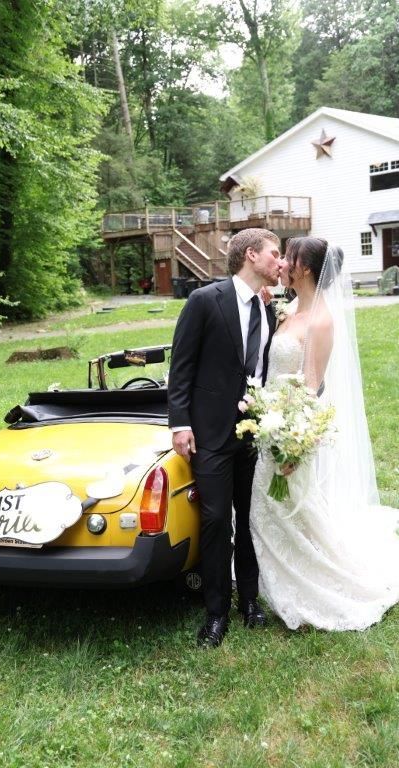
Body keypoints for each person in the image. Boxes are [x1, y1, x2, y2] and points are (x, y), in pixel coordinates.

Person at [250, 237, 399, 630]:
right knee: (267, 507)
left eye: (289, 257)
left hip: (289, 428)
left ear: (307, 268)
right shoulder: (289, 308)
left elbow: (313, 385)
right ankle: (270, 572)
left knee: (286, 505)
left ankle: (313, 575)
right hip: (269, 421)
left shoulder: (321, 319)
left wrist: (294, 440)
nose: (283, 262)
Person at [168, 228, 280, 647]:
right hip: (209, 433)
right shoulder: (204, 301)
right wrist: (180, 423)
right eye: (274, 254)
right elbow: (181, 367)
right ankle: (216, 612)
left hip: (252, 434)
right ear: (251, 255)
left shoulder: (268, 310)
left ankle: (249, 600)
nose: (279, 261)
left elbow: (262, 370)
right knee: (216, 520)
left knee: (249, 518)